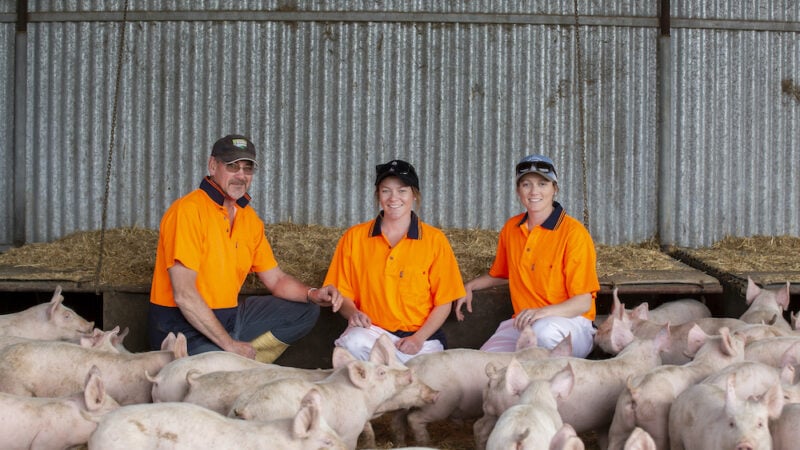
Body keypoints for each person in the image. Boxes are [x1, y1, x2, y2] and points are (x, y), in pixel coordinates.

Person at [148, 134, 343, 362]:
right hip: (182, 328)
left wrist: (313, 293)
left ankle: (242, 359)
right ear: (213, 166)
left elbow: (276, 280)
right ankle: (232, 358)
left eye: (247, 169)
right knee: (215, 375)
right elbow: (184, 295)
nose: (241, 175)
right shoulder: (188, 211)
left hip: (229, 318)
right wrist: (229, 344)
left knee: (305, 309)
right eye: (232, 167)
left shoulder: (249, 219)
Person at [455, 154, 599, 358]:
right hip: (524, 321)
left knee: (544, 334)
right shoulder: (512, 229)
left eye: (542, 184)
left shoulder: (573, 233)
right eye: (526, 184)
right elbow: (504, 273)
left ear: (554, 189)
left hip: (570, 322)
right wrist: (469, 286)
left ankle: (555, 388)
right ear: (518, 190)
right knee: (485, 362)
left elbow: (583, 302)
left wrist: (543, 313)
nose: (534, 192)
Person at [323, 159, 466, 363]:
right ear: (378, 196)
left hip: (421, 340)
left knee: (430, 376)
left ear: (414, 195)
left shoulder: (434, 240)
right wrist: (353, 313)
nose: (393, 198)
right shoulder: (354, 237)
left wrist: (418, 339)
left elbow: (444, 302)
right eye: (386, 191)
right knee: (351, 343)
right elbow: (342, 293)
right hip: (373, 334)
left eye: (402, 191)